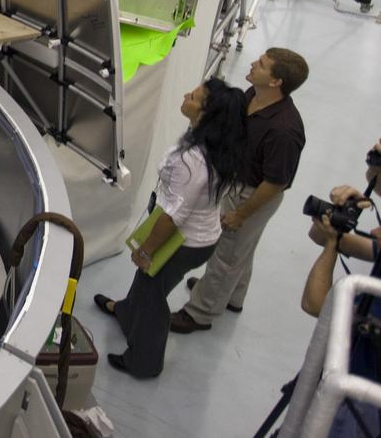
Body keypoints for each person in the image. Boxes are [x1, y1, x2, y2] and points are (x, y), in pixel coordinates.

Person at [92, 78, 247, 378]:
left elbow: (173, 216)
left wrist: (147, 250)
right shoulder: (212, 143)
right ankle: (126, 314)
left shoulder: (194, 161)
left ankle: (144, 361)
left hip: (182, 240)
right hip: (195, 233)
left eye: (194, 96)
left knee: (153, 293)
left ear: (206, 114)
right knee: (149, 281)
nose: (186, 94)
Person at [171, 47, 310, 333]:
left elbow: (275, 183)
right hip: (238, 181)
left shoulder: (285, 131)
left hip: (254, 194)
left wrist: (241, 213)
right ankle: (232, 294)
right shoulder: (252, 96)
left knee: (228, 252)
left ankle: (201, 312)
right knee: (242, 248)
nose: (253, 64)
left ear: (276, 82)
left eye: (261, 64)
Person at [298, 139, 381, 436]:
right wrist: (336, 223)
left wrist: (332, 240)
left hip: (361, 406)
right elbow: (320, 235)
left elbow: (314, 304)